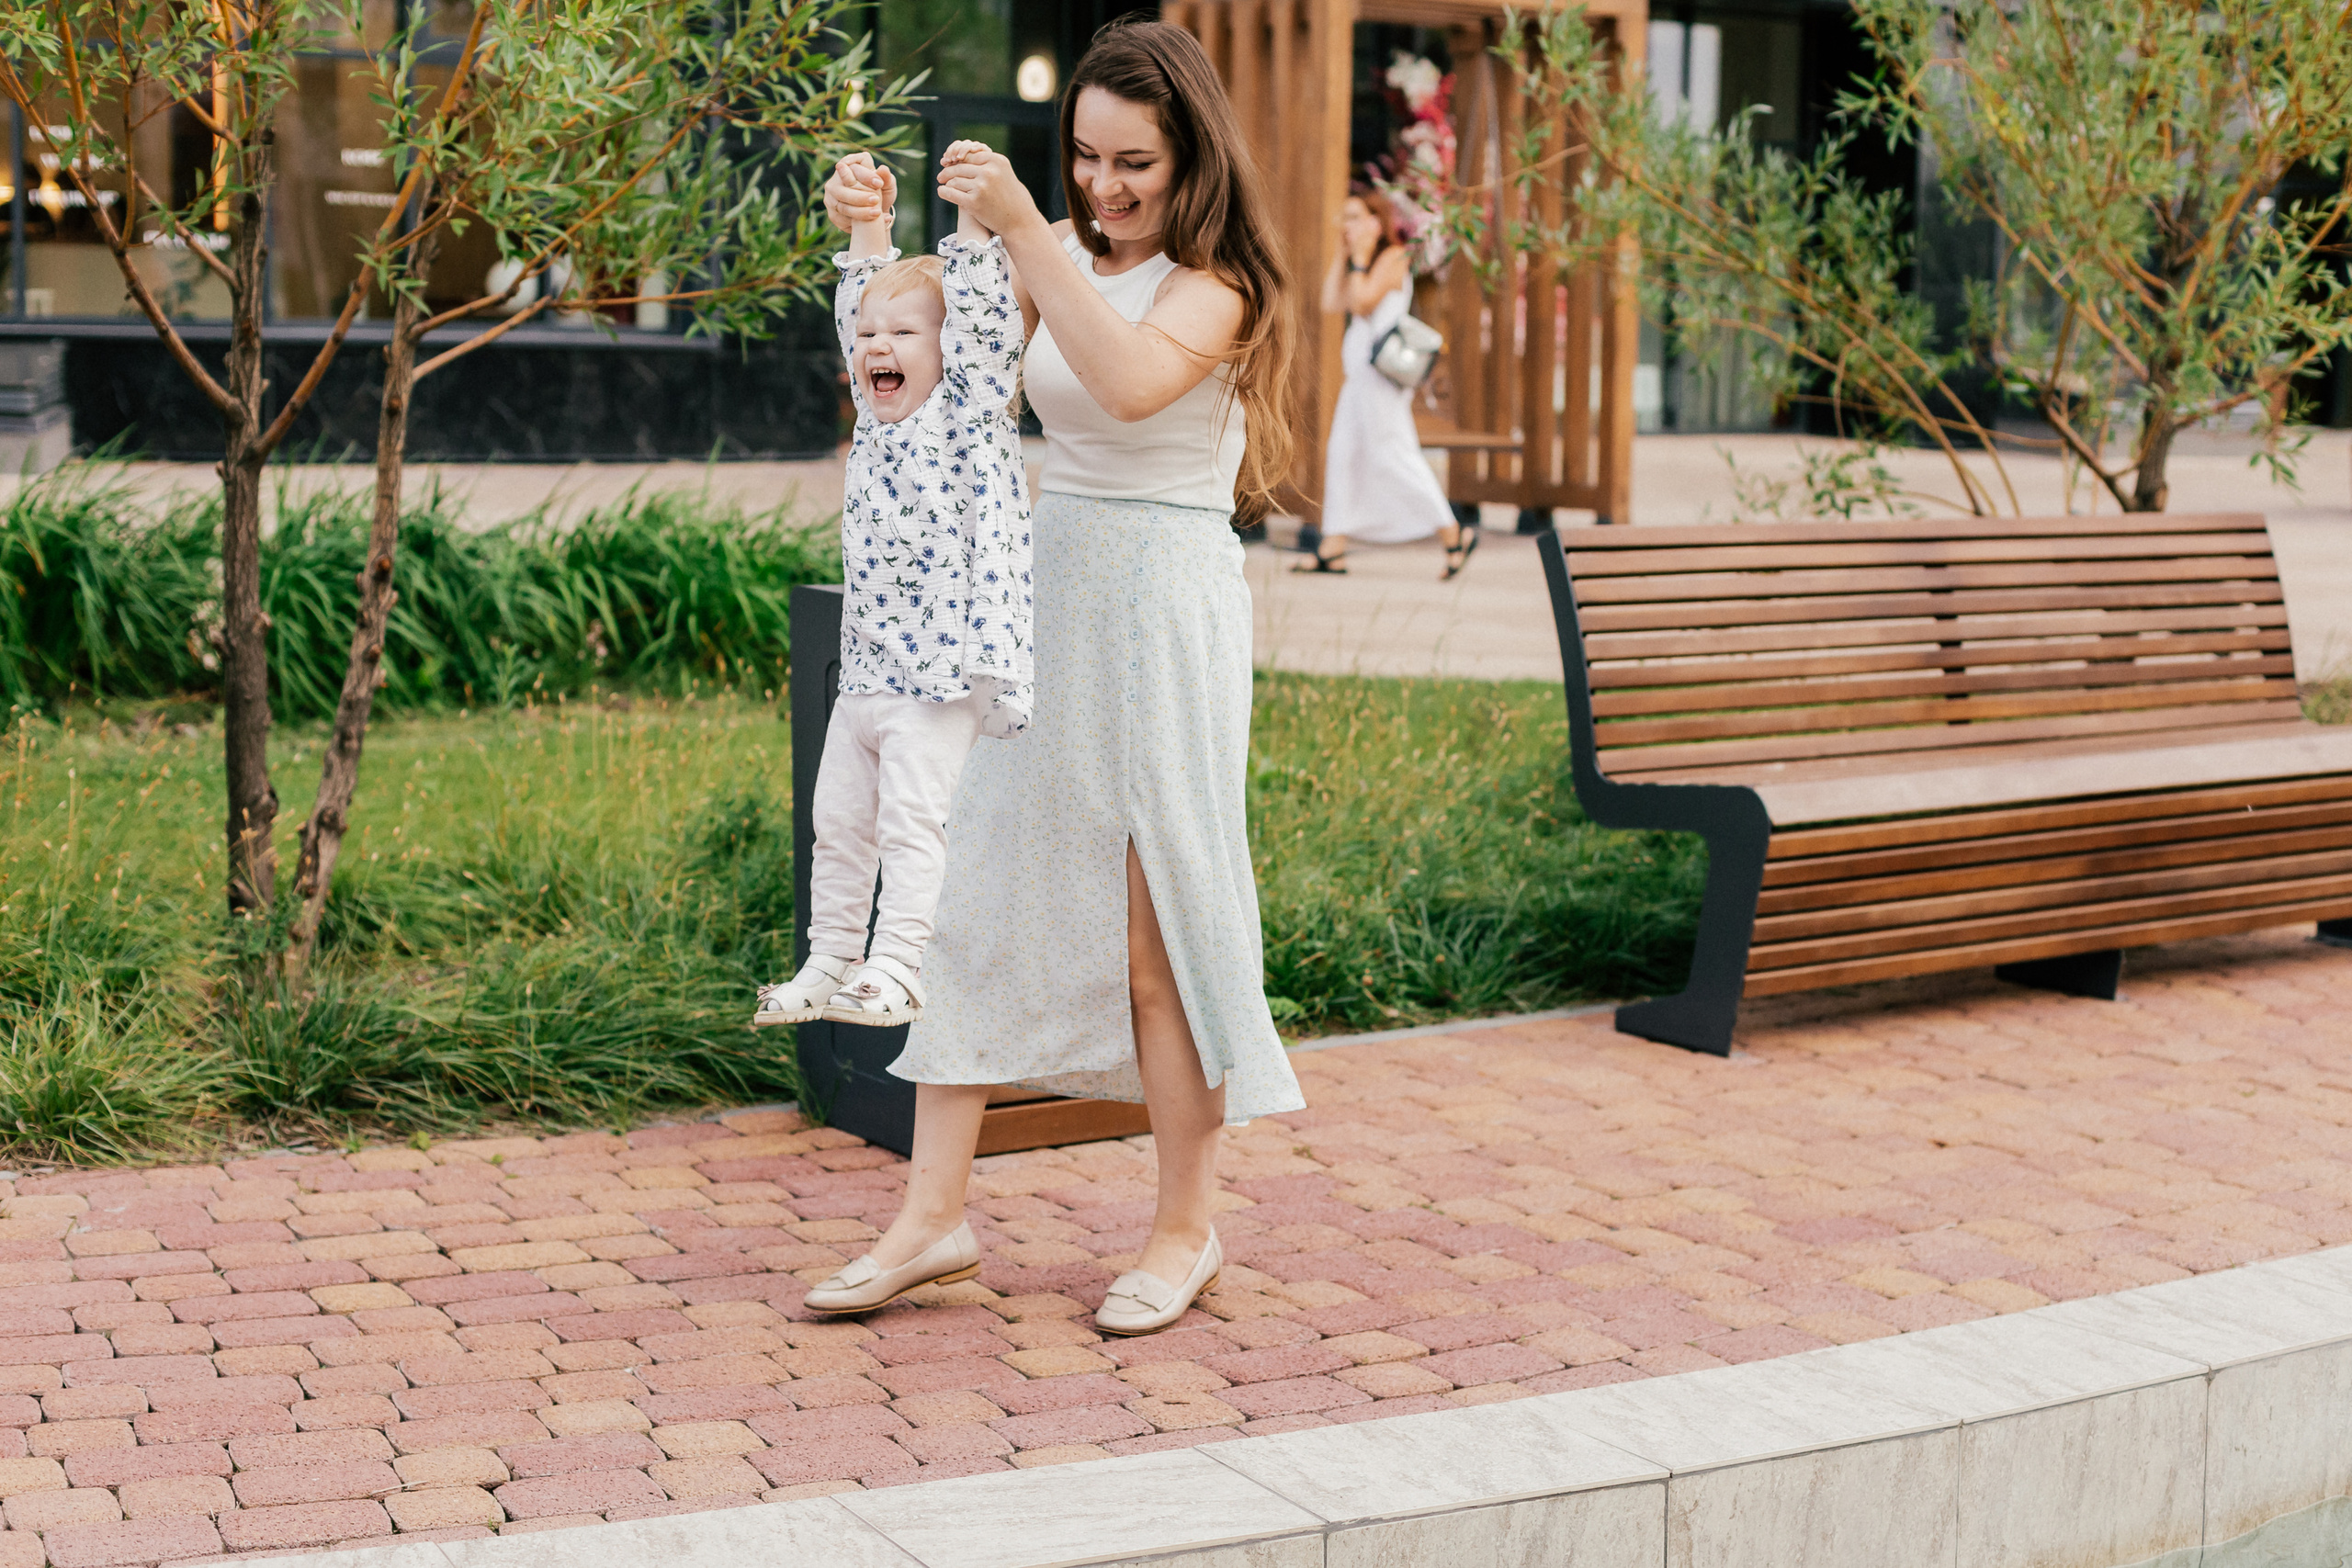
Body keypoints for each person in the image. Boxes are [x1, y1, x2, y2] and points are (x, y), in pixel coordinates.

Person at [801, 19, 1306, 1335]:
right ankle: (931, 1219)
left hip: (1162, 602)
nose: (1104, 187)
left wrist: (1028, 229)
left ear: (1190, 154)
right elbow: (924, 379)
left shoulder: (1219, 284)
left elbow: (1131, 382)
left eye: (1133, 162)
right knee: (965, 890)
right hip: (1036, 583)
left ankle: (1186, 1225)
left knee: (1156, 931)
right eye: (1083, 158)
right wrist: (869, 241)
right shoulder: (1056, 253)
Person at [748, 155, 1031, 1040]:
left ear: (952, 352)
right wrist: (867, 220)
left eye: (906, 335)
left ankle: (900, 963)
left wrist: (976, 226)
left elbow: (982, 321)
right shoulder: (877, 417)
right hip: (870, 670)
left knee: (912, 820)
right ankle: (830, 956)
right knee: (839, 822)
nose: (878, 346)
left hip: (942, 673)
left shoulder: (969, 412)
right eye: (871, 336)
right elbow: (861, 295)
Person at [1291, 188, 1475, 579]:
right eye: (1345, 219)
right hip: (1358, 380)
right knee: (1342, 454)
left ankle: (1452, 532)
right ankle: (1332, 548)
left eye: (1355, 218)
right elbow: (1330, 302)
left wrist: (1358, 260)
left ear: (1377, 222)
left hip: (1382, 381)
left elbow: (1362, 303)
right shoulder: (1362, 261)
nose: (1348, 226)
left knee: (1393, 455)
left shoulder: (1394, 257)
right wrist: (1345, 256)